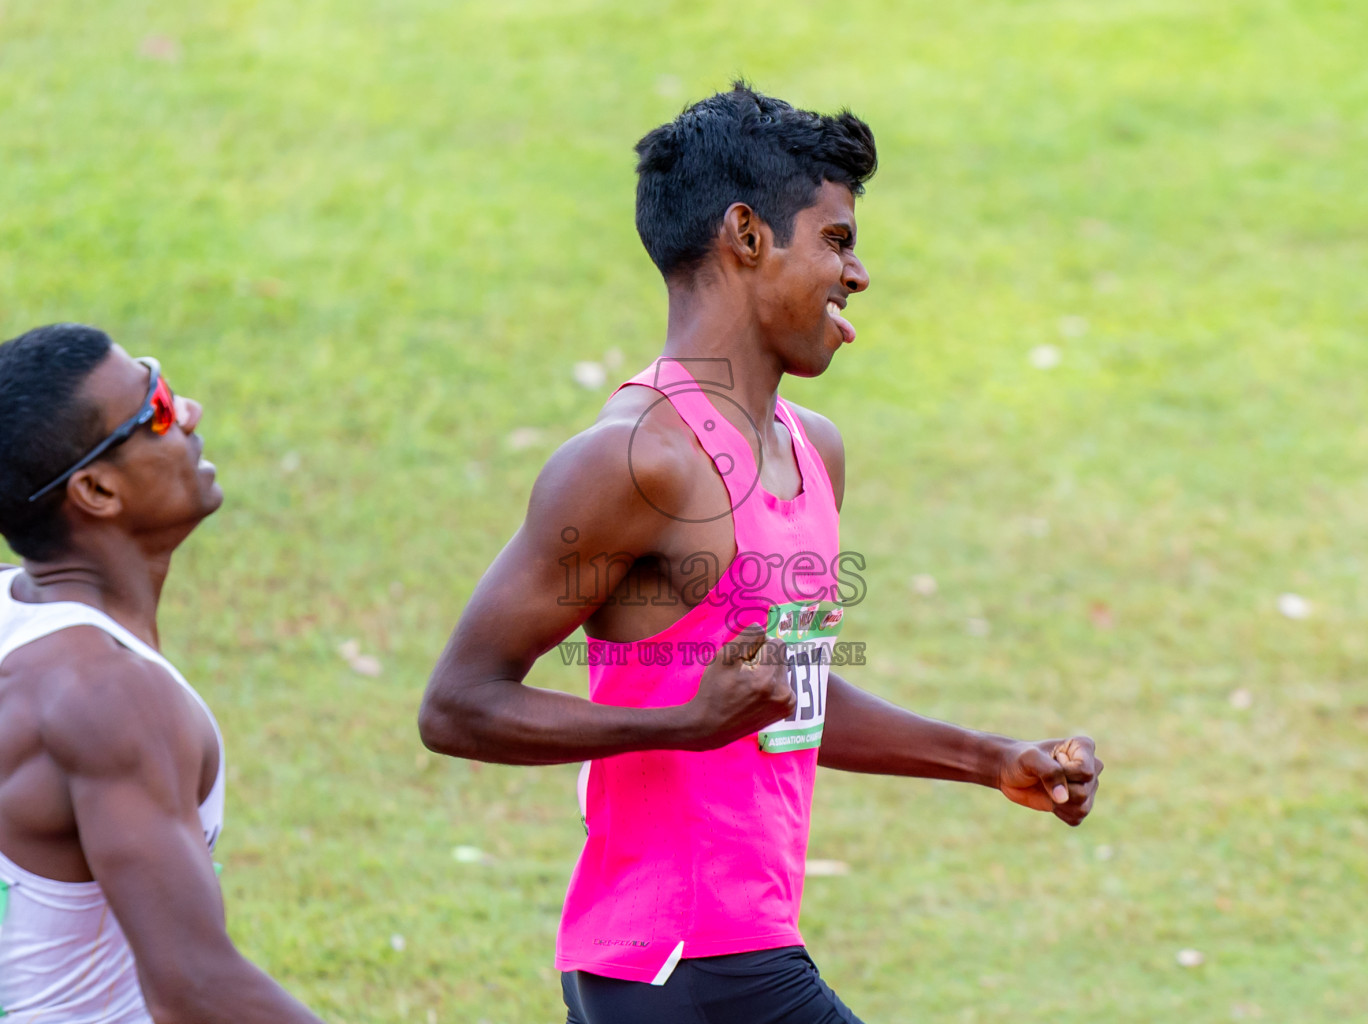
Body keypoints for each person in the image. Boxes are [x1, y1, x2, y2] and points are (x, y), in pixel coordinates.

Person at [418, 84, 1104, 1024]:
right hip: (673, 966)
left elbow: (790, 696)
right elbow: (459, 705)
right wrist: (682, 723)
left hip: (739, 955)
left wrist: (989, 759)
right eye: (836, 239)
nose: (857, 273)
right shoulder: (635, 460)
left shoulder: (811, 449)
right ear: (747, 236)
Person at [0, 324, 323, 1023]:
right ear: (95, 489)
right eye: (158, 408)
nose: (191, 413)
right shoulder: (111, 696)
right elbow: (196, 990)